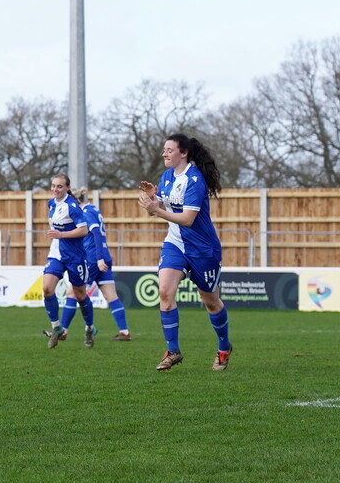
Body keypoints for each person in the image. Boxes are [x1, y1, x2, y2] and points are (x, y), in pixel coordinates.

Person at [138, 133, 232, 371]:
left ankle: (223, 347)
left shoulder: (195, 179)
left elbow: (188, 219)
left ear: (183, 153)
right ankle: (173, 351)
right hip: (176, 243)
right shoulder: (167, 176)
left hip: (202, 248)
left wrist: (156, 210)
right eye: (164, 150)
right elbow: (158, 209)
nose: (164, 154)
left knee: (211, 302)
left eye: (169, 150)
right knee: (164, 292)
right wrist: (153, 200)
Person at [49, 189, 131, 342]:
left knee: (72, 293)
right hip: (104, 256)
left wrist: (98, 259)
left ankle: (63, 331)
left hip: (93, 258)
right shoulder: (94, 209)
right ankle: (124, 332)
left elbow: (96, 234)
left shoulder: (85, 212)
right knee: (111, 295)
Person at [41, 174, 97, 349]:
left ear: (67, 188)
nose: (55, 189)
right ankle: (57, 328)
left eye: (59, 186)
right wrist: (57, 237)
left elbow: (84, 230)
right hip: (57, 253)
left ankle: (89, 328)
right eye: (53, 186)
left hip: (75, 256)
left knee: (80, 295)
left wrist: (61, 235)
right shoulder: (51, 204)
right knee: (47, 288)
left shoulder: (72, 207)